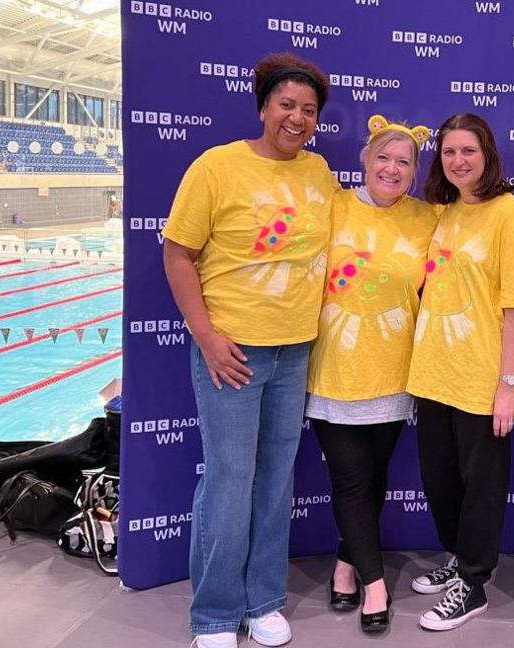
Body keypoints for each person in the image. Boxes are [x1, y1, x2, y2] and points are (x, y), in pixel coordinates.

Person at [161, 52, 338, 648]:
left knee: (276, 478)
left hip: (295, 349)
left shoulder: (320, 174)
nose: (297, 117)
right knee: (230, 479)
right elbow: (177, 253)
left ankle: (263, 599)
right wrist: (206, 335)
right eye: (286, 104)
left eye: (309, 110)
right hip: (233, 350)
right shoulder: (217, 166)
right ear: (263, 106)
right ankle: (213, 613)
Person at [305, 115, 438, 635]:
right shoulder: (334, 206)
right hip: (333, 371)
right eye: (383, 157)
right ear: (365, 160)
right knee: (351, 479)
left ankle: (345, 564)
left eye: (403, 161)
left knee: (374, 478)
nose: (391, 168)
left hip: (394, 372)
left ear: (414, 171)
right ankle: (376, 584)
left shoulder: (427, 218)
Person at [405, 112, 514, 631]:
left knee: (481, 486)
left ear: (488, 156)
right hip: (434, 372)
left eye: (469, 151)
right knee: (441, 482)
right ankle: (459, 561)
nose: (459, 161)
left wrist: (508, 386)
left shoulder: (509, 216)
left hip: (484, 376)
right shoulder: (446, 213)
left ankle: (475, 585)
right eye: (450, 152)